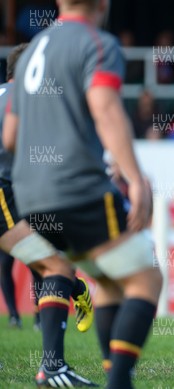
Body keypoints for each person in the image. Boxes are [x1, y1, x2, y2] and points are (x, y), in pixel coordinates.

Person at [3, 1, 162, 388]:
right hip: (76, 188)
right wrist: (136, 178)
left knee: (104, 278)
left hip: (28, 195)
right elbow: (105, 109)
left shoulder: (32, 51)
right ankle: (118, 381)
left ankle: (82, 369)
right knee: (145, 280)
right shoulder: (97, 42)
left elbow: (8, 137)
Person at [0, 44, 93, 333]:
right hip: (13, 190)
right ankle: (76, 290)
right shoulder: (33, 99)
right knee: (52, 264)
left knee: (48, 263)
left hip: (14, 192)